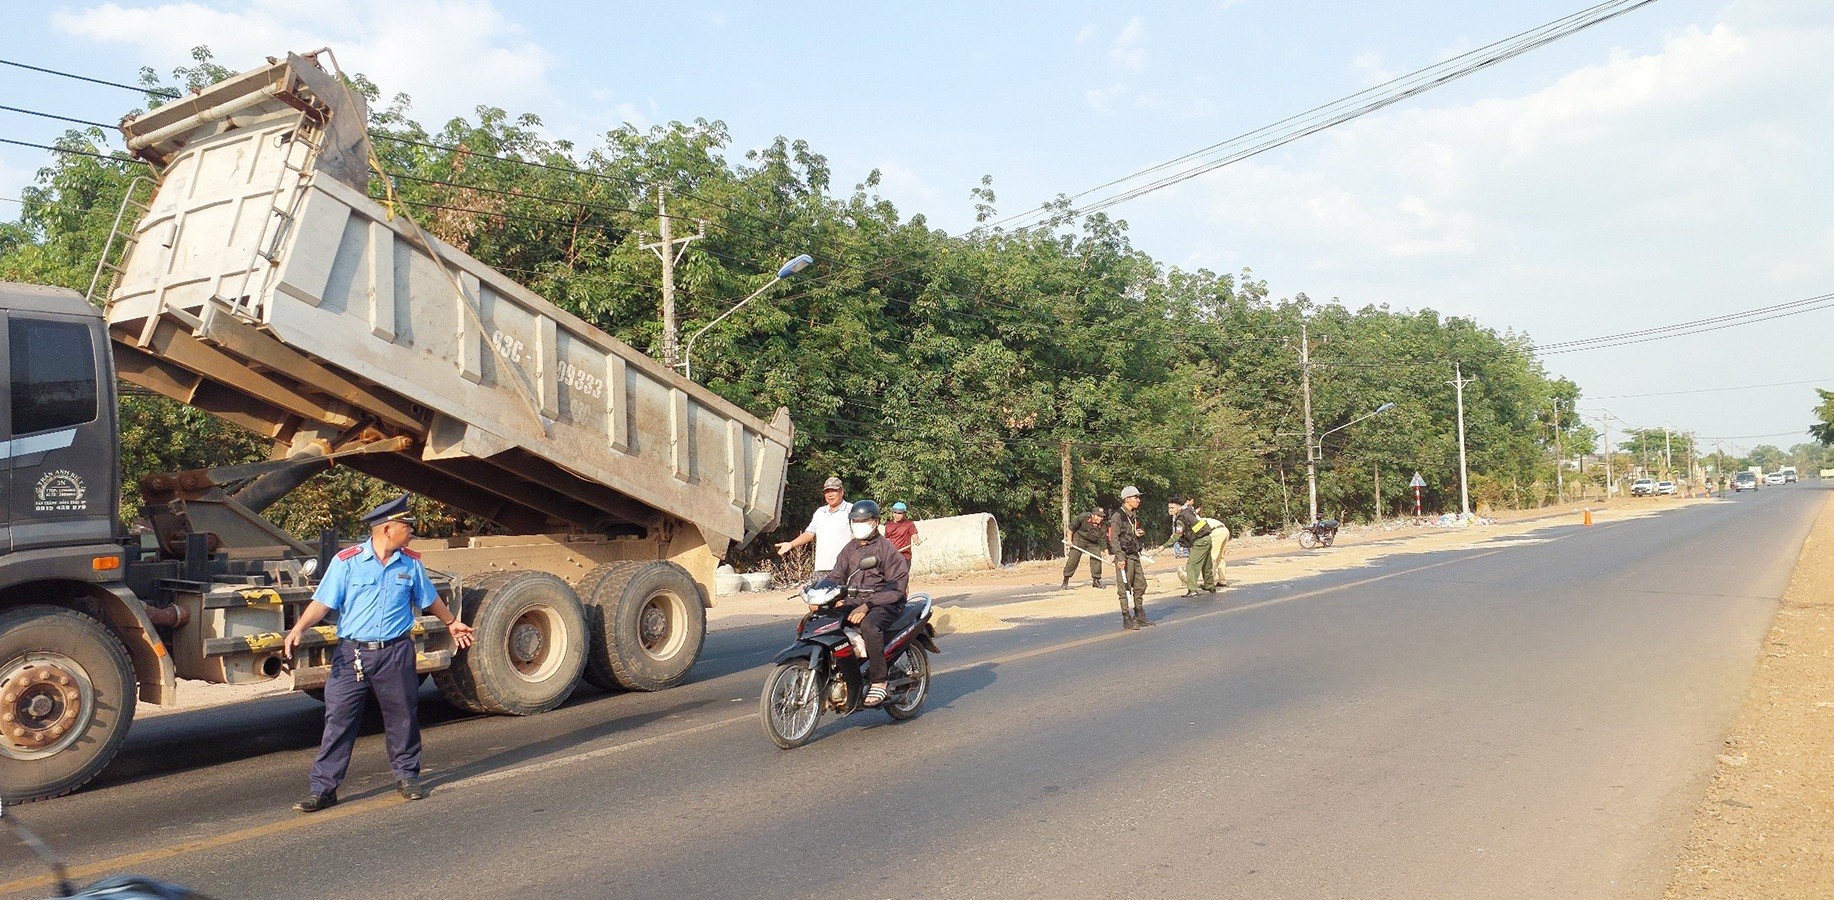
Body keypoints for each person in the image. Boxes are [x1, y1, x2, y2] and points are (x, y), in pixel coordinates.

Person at [283, 494, 475, 812]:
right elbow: (323, 602)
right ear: (387, 529)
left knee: (402, 716)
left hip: (396, 651)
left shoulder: (411, 563)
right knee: (339, 720)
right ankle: (323, 788)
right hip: (352, 654)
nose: (412, 530)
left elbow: (428, 598)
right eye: (407, 525)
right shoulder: (347, 562)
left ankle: (407, 776)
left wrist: (452, 622)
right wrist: (299, 628)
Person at [825, 499, 910, 707]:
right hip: (856, 601)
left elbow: (897, 586)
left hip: (886, 603)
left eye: (864, 521)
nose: (859, 525)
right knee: (823, 621)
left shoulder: (886, 549)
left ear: (875, 522)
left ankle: (879, 681)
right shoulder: (849, 549)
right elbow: (837, 576)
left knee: (869, 626)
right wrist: (823, 593)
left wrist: (868, 605)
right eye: (855, 521)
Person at [774, 475, 852, 583]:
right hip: (822, 568)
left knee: (843, 599)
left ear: (842, 492)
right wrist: (791, 544)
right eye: (827, 492)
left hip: (845, 568)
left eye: (833, 491)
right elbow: (809, 533)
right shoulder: (820, 512)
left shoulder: (851, 510)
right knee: (821, 598)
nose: (830, 495)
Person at [1107, 486, 1153, 630]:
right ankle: (1126, 617)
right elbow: (1113, 539)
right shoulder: (1118, 516)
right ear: (1127, 499)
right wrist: (1120, 557)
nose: (1138, 500)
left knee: (1140, 584)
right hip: (1124, 556)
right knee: (1125, 588)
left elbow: (1128, 534)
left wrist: (1138, 534)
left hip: (1134, 554)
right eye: (1135, 497)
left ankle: (1139, 613)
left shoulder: (1132, 515)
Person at [1159, 496, 1219, 596]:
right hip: (1207, 538)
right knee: (1206, 564)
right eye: (1169, 508)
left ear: (1179, 507)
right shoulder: (1188, 512)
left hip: (1200, 542)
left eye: (1172, 508)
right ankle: (1209, 586)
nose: (1170, 510)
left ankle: (1192, 590)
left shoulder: (1180, 519)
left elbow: (1178, 535)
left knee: (1191, 565)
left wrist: (1164, 546)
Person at [1061, 506, 1108, 589]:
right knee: (1073, 558)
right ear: (1092, 515)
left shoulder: (1103, 525)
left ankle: (1096, 580)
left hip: (1093, 541)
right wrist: (1069, 540)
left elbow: (1103, 541)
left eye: (1101, 517)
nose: (1100, 518)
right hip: (1079, 538)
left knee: (1097, 557)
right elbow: (1071, 528)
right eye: (1098, 516)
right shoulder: (1083, 517)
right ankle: (1066, 579)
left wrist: (1107, 556)